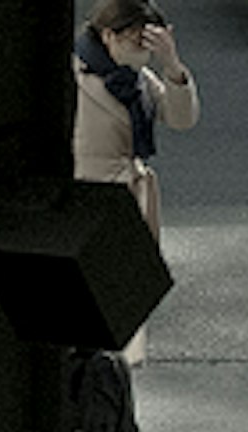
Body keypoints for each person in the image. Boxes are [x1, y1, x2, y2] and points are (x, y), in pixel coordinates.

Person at [71, 0, 200, 249]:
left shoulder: (138, 79)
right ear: (109, 35)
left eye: (149, 43)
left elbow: (181, 119)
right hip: (89, 196)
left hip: (129, 198)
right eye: (137, 41)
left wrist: (172, 65)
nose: (144, 51)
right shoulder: (77, 75)